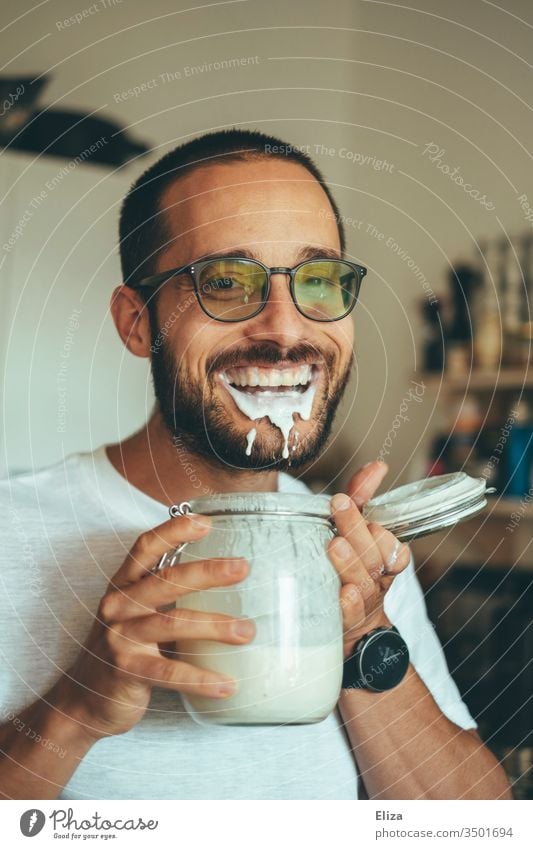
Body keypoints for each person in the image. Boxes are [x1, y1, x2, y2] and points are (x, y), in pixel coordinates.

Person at [0, 129, 511, 800]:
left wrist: (362, 631)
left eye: (318, 280)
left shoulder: (351, 550)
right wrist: (72, 712)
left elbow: (474, 830)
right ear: (136, 322)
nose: (285, 326)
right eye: (224, 282)